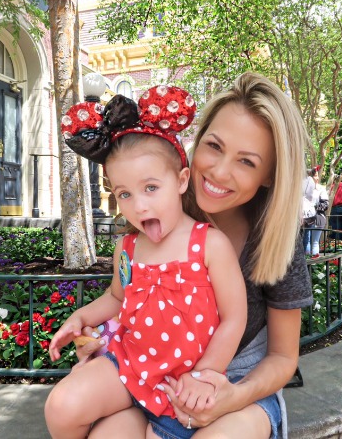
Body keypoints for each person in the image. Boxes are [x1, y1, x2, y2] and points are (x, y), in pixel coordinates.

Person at [47, 73, 313, 439]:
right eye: (215, 146)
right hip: (147, 374)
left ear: (269, 175)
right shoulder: (154, 207)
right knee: (76, 412)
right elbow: (123, 296)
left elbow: (283, 358)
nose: (219, 171)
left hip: (237, 384)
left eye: (247, 162)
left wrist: (230, 394)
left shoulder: (274, 238)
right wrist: (97, 331)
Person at [302, 167, 328, 258]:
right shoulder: (301, 189)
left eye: (317, 176)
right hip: (305, 219)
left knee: (315, 242)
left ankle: (314, 266)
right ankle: (308, 265)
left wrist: (314, 206)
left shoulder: (320, 188)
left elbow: (325, 205)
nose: (317, 178)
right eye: (315, 176)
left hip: (317, 217)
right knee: (306, 241)